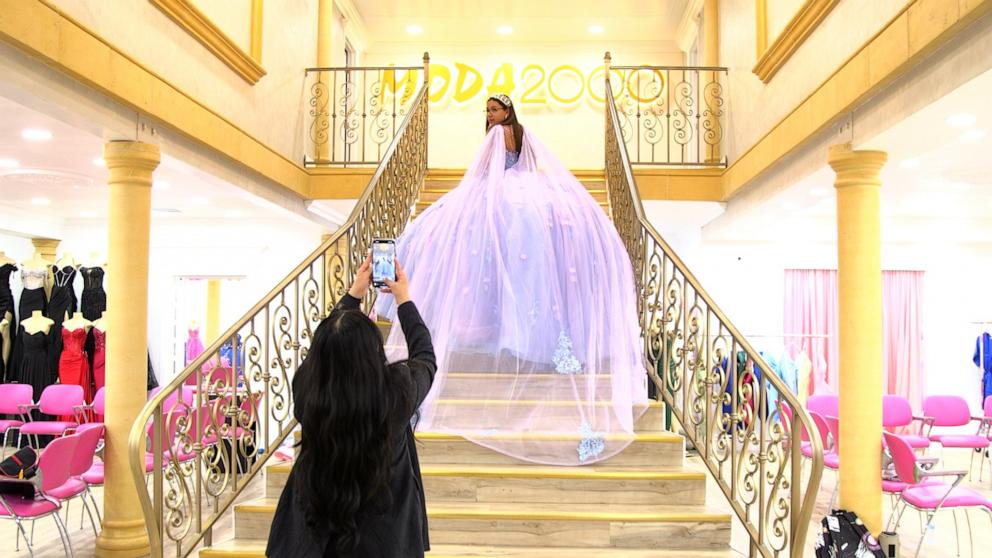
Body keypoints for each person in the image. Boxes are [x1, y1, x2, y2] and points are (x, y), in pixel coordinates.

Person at [375, 93, 648, 466]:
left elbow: (488, 173)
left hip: (502, 193)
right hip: (522, 192)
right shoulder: (522, 134)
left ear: (506, 111)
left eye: (494, 110)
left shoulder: (496, 135)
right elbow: (529, 168)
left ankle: (497, 329)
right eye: (487, 110)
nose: (489, 115)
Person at [267, 252, 436, 558]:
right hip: (384, 540)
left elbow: (323, 348)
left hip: (313, 537)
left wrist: (352, 296)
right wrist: (404, 301)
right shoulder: (396, 395)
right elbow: (425, 357)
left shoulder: (307, 392)